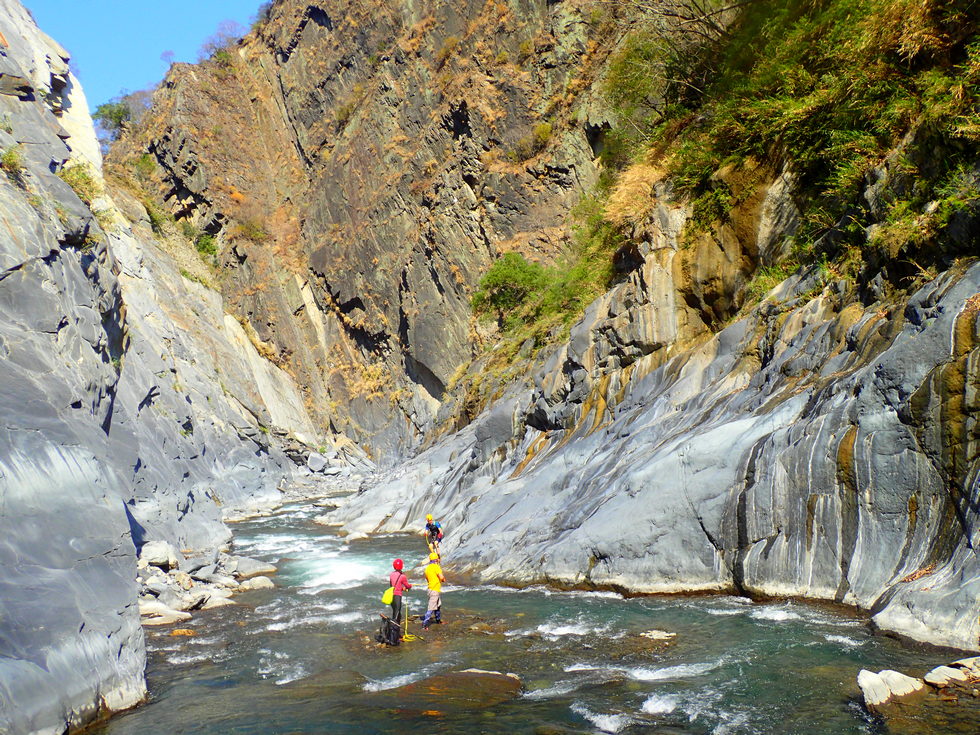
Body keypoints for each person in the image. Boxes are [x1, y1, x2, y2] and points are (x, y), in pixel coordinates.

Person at [386, 558, 411, 645]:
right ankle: (394, 638)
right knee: (396, 617)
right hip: (397, 597)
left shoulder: (391, 575)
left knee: (396, 614)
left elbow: (392, 585)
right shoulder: (402, 576)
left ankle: (397, 634)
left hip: (392, 596)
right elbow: (407, 585)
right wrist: (409, 586)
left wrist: (401, 588)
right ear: (401, 566)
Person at [421, 552, 445, 630]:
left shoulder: (427, 568)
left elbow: (427, 579)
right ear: (436, 559)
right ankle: (425, 624)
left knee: (438, 605)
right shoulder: (436, 567)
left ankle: (438, 620)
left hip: (431, 589)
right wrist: (443, 579)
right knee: (431, 608)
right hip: (435, 590)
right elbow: (441, 577)